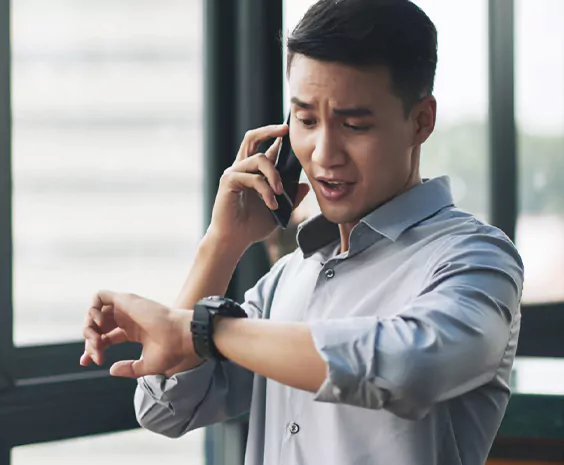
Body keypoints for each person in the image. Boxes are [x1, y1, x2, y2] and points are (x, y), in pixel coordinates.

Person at [78, 0, 525, 464]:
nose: (324, 153)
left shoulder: (476, 257)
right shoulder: (287, 278)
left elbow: (411, 366)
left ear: (421, 121)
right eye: (306, 121)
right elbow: (165, 409)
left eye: (355, 124)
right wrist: (222, 243)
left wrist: (206, 330)